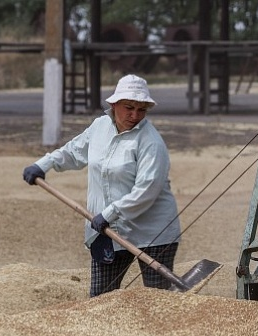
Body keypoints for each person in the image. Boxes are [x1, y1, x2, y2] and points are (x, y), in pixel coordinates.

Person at [22, 74, 181, 297]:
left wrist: (109, 213)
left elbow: (147, 191)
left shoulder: (151, 142)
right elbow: (73, 152)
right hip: (108, 229)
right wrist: (43, 164)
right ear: (113, 104)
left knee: (157, 300)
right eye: (129, 107)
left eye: (141, 109)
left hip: (153, 232)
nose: (135, 115)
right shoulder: (99, 127)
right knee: (100, 298)